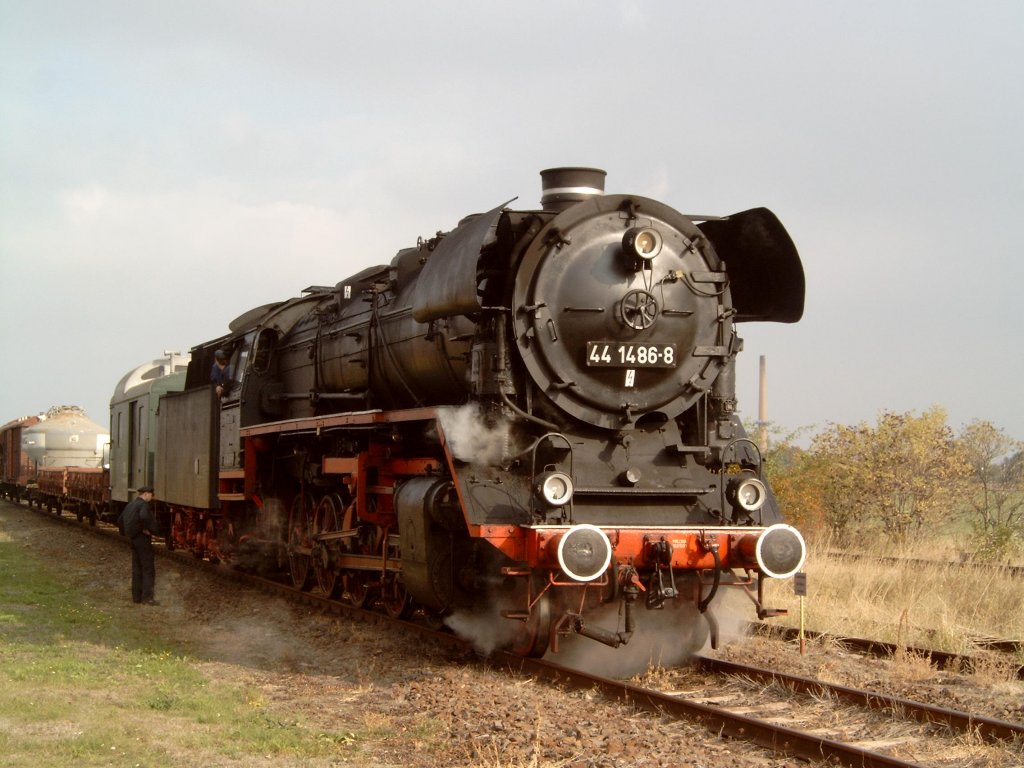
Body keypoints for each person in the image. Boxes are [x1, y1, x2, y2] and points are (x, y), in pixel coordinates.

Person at [117, 486, 159, 605]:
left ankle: (136, 597)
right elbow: (144, 517)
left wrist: (127, 534)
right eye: (151, 494)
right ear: (146, 494)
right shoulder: (144, 505)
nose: (152, 497)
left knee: (137, 568)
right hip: (142, 539)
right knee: (148, 567)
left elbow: (120, 520)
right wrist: (146, 528)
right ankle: (147, 598)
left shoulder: (131, 504)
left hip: (133, 539)